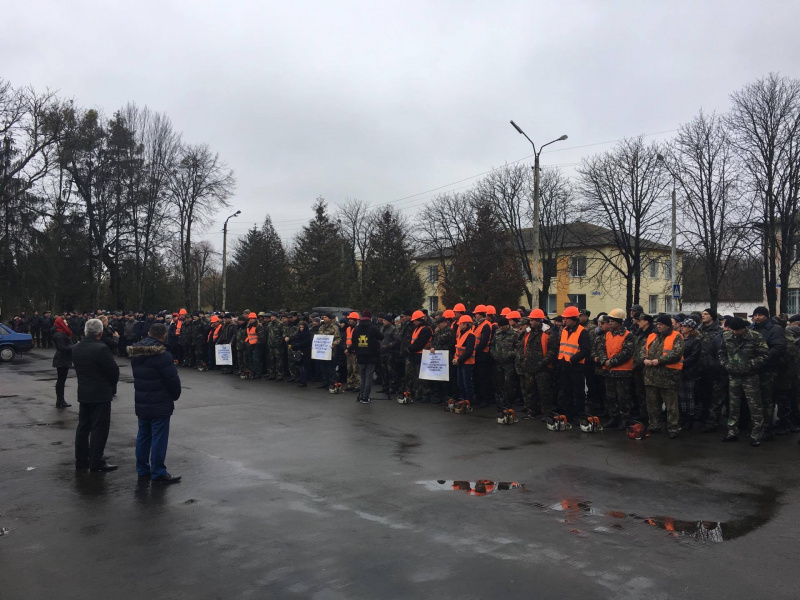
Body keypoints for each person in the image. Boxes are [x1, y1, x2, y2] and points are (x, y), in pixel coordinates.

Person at [129, 323, 182, 483]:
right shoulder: (163, 355)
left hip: (142, 398)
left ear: (148, 333)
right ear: (164, 335)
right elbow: (172, 379)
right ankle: (158, 471)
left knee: (143, 435)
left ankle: (142, 469)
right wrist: (175, 395)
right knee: (159, 437)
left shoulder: (136, 352)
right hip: (160, 400)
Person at [72, 319, 120, 472]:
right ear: (100, 333)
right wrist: (111, 386)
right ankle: (96, 460)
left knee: (83, 427)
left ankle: (81, 459)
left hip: (84, 391)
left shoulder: (77, 347)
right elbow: (113, 371)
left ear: (85, 331)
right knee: (99, 429)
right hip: (100, 393)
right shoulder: (101, 348)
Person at [718, 317, 768, 447]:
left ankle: (756, 434)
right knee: (733, 406)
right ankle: (732, 432)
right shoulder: (727, 336)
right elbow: (721, 353)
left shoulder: (755, 336)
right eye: (733, 330)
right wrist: (726, 365)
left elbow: (764, 355)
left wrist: (749, 365)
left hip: (750, 376)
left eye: (738, 330)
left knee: (755, 406)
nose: (735, 333)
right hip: (733, 376)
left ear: (744, 328)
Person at [642, 314, 684, 438]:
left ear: (668, 326)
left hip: (668, 377)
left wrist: (659, 360)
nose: (658, 326)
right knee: (652, 404)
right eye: (658, 324)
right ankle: (654, 425)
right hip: (651, 376)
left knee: (671, 405)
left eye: (661, 324)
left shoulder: (677, 336)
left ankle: (673, 428)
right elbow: (643, 350)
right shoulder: (652, 336)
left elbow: (677, 353)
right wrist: (644, 359)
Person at [750, 306, 786, 439]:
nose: (757, 317)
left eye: (760, 315)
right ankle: (756, 426)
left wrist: (760, 360)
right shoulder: (752, 329)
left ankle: (767, 428)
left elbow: (778, 348)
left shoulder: (775, 330)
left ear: (766, 316)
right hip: (753, 370)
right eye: (755, 315)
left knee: (767, 401)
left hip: (768, 370)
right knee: (754, 401)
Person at [600, 309, 635, 429]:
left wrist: (612, 362)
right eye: (608, 321)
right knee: (610, 397)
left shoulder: (628, 335)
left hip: (622, 372)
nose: (609, 323)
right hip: (609, 371)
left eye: (611, 321)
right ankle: (613, 417)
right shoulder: (608, 334)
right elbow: (602, 349)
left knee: (623, 397)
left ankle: (624, 419)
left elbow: (627, 352)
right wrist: (605, 360)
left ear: (619, 322)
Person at [556, 306, 591, 419]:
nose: (564, 321)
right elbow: (562, 347)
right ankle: (569, 412)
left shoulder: (582, 332)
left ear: (573, 319)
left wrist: (572, 360)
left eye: (566, 318)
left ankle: (580, 413)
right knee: (567, 390)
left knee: (578, 391)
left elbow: (586, 350)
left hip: (576, 367)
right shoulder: (565, 331)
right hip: (564, 366)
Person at [353, 309, 384, 403]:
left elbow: (354, 341)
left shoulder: (356, 328)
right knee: (369, 377)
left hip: (360, 355)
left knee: (362, 377)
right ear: (370, 317)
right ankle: (366, 397)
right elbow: (381, 337)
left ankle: (360, 395)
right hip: (371, 355)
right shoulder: (372, 327)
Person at [678, 318, 701, 430]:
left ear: (690, 328)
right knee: (682, 395)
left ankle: (690, 417)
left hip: (690, 371)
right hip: (680, 371)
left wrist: (681, 363)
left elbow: (694, 356)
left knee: (689, 395)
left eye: (684, 326)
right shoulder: (681, 338)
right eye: (681, 326)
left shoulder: (695, 340)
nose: (682, 328)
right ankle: (683, 416)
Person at [453, 315, 476, 404]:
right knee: (461, 383)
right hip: (461, 362)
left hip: (467, 363)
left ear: (465, 324)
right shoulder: (461, 334)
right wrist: (455, 359)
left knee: (467, 383)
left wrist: (458, 360)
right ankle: (462, 399)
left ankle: (468, 400)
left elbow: (469, 351)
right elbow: (458, 348)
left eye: (460, 324)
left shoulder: (470, 335)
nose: (459, 326)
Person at [314, 313, 341, 389]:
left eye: (326, 317)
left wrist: (333, 344)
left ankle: (332, 382)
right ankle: (325, 382)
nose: (324, 318)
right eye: (323, 317)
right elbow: (318, 338)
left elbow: (338, 338)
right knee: (323, 367)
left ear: (329, 318)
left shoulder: (334, 327)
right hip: (322, 351)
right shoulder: (321, 327)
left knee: (330, 368)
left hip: (330, 351)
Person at [52, 316, 74, 408]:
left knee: (61, 380)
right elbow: (61, 348)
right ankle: (60, 400)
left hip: (63, 358)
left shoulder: (61, 333)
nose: (67, 324)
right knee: (61, 380)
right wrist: (74, 347)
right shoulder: (60, 334)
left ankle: (60, 400)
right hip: (62, 359)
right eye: (65, 322)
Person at [290, 320, 313, 387]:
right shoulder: (299, 334)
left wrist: (297, 345)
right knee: (300, 367)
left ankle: (304, 381)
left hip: (305, 352)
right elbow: (296, 340)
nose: (301, 329)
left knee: (304, 367)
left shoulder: (307, 334)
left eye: (302, 327)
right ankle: (301, 379)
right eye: (300, 327)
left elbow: (306, 343)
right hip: (299, 352)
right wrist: (294, 345)